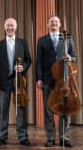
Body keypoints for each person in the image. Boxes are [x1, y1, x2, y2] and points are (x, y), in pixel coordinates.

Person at [36, 16, 77, 147]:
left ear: (59, 24)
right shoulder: (42, 40)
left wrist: (70, 57)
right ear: (48, 25)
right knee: (48, 110)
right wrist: (39, 78)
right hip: (48, 79)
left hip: (64, 79)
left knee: (65, 109)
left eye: (56, 22)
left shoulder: (68, 38)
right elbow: (39, 61)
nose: (53, 23)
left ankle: (64, 137)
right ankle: (50, 138)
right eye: (51, 22)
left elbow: (75, 57)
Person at [0, 18, 32, 146]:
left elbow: (28, 60)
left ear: (16, 27)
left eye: (12, 25)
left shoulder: (22, 43)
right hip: (4, 82)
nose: (10, 27)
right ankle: (1, 136)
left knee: (20, 109)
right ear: (5, 27)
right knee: (3, 110)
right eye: (8, 25)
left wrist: (23, 67)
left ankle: (23, 136)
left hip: (19, 82)